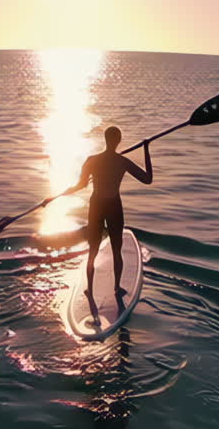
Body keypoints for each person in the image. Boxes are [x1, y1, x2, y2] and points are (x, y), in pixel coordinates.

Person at [49, 126, 152, 327]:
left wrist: (56, 196)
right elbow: (148, 179)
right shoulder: (122, 161)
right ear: (118, 140)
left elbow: (80, 185)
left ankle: (89, 288)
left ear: (105, 140)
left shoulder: (92, 160)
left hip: (96, 205)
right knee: (116, 249)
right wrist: (146, 150)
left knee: (93, 250)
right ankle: (116, 287)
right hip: (113, 205)